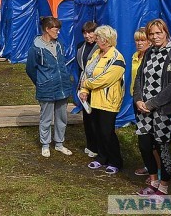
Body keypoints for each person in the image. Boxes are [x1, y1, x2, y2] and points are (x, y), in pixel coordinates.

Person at [133, 18, 171, 200]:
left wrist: (152, 103)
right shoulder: (149, 52)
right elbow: (139, 77)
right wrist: (138, 99)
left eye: (158, 33)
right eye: (151, 34)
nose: (155, 37)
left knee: (163, 149)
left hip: (162, 111)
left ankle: (163, 188)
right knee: (145, 146)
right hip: (144, 111)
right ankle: (153, 181)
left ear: (166, 32)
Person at [78, 25, 126, 174]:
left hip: (108, 101)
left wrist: (86, 85)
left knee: (107, 132)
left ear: (106, 40)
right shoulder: (96, 54)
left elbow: (104, 79)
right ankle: (102, 157)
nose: (96, 39)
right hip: (94, 99)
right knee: (97, 130)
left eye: (98, 37)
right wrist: (84, 90)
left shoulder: (116, 58)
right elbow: (87, 72)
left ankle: (115, 160)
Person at [26, 17, 75, 158]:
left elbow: (62, 64)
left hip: (62, 87)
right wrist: (41, 81)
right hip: (46, 88)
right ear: (47, 29)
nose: (58, 32)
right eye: (56, 29)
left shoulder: (59, 44)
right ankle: (45, 144)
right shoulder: (35, 48)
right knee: (46, 118)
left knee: (61, 117)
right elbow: (30, 69)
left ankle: (59, 143)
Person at [130, 27, 160, 178]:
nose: (139, 43)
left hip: (150, 104)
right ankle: (149, 166)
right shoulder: (135, 56)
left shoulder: (153, 58)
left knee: (153, 141)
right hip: (137, 101)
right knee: (144, 139)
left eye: (143, 40)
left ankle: (157, 171)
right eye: (137, 40)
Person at [75, 21, 99, 158]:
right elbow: (80, 67)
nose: (87, 35)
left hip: (95, 86)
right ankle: (90, 144)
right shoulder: (80, 47)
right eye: (85, 33)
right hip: (83, 86)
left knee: (95, 118)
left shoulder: (100, 48)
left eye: (90, 32)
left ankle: (97, 146)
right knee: (87, 117)